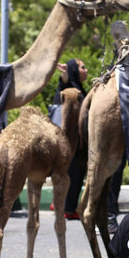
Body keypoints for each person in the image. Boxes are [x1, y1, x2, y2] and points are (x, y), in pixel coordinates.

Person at [47, 59, 88, 219]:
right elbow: (64, 84)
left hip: (75, 143)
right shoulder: (69, 86)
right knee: (74, 173)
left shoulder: (79, 87)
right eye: (82, 67)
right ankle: (68, 209)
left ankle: (60, 203)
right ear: (74, 70)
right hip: (71, 144)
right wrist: (65, 74)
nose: (85, 70)